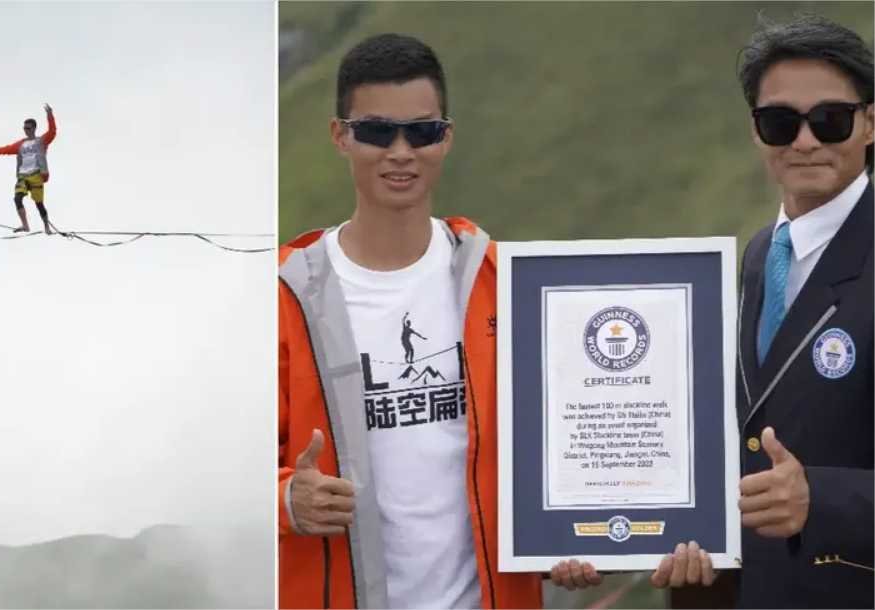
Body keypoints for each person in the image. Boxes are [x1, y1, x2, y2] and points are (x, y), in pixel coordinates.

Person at [278, 33, 704, 609]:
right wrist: (284, 500)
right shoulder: (283, 296)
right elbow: (217, 469)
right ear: (340, 136)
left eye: (422, 131)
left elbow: (575, 438)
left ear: (446, 138)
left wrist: (579, 536)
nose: (401, 151)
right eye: (377, 131)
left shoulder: (510, 284)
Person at [728, 14, 872, 609]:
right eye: (781, 122)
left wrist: (822, 498)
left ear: (871, 123)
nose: (805, 141)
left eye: (831, 121)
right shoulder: (761, 254)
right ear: (757, 131)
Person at [0, 103, 57, 234]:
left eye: (28, 128)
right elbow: (3, 149)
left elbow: (52, 132)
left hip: (37, 175)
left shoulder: (41, 141)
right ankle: (25, 225)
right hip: (23, 176)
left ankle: (46, 227)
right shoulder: (20, 144)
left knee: (39, 204)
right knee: (17, 198)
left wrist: (50, 115)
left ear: (34, 128)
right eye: (24, 128)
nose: (26, 130)